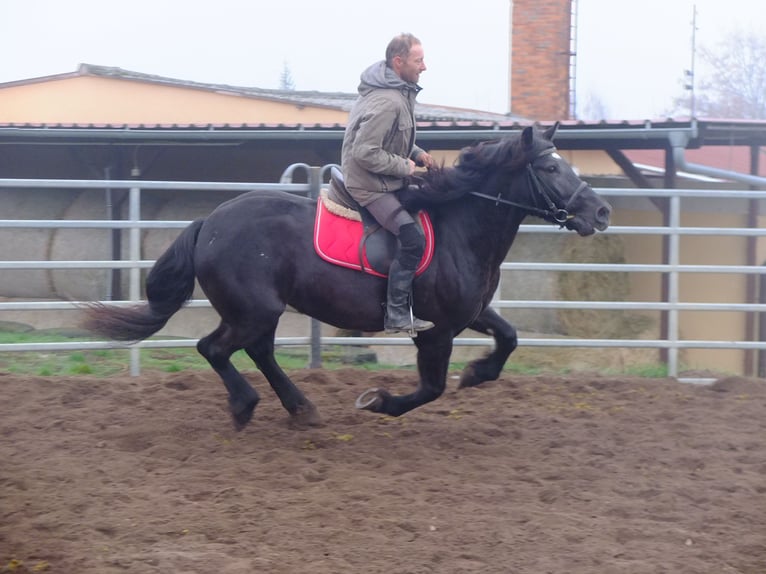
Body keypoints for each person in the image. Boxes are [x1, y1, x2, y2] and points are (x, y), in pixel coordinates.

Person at [338, 33, 435, 334]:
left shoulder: (399, 92)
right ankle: (396, 315)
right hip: (369, 185)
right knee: (412, 237)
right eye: (418, 61)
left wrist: (416, 153)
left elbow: (394, 139)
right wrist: (404, 166)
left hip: (385, 178)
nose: (424, 67)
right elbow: (365, 152)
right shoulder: (387, 101)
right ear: (398, 62)